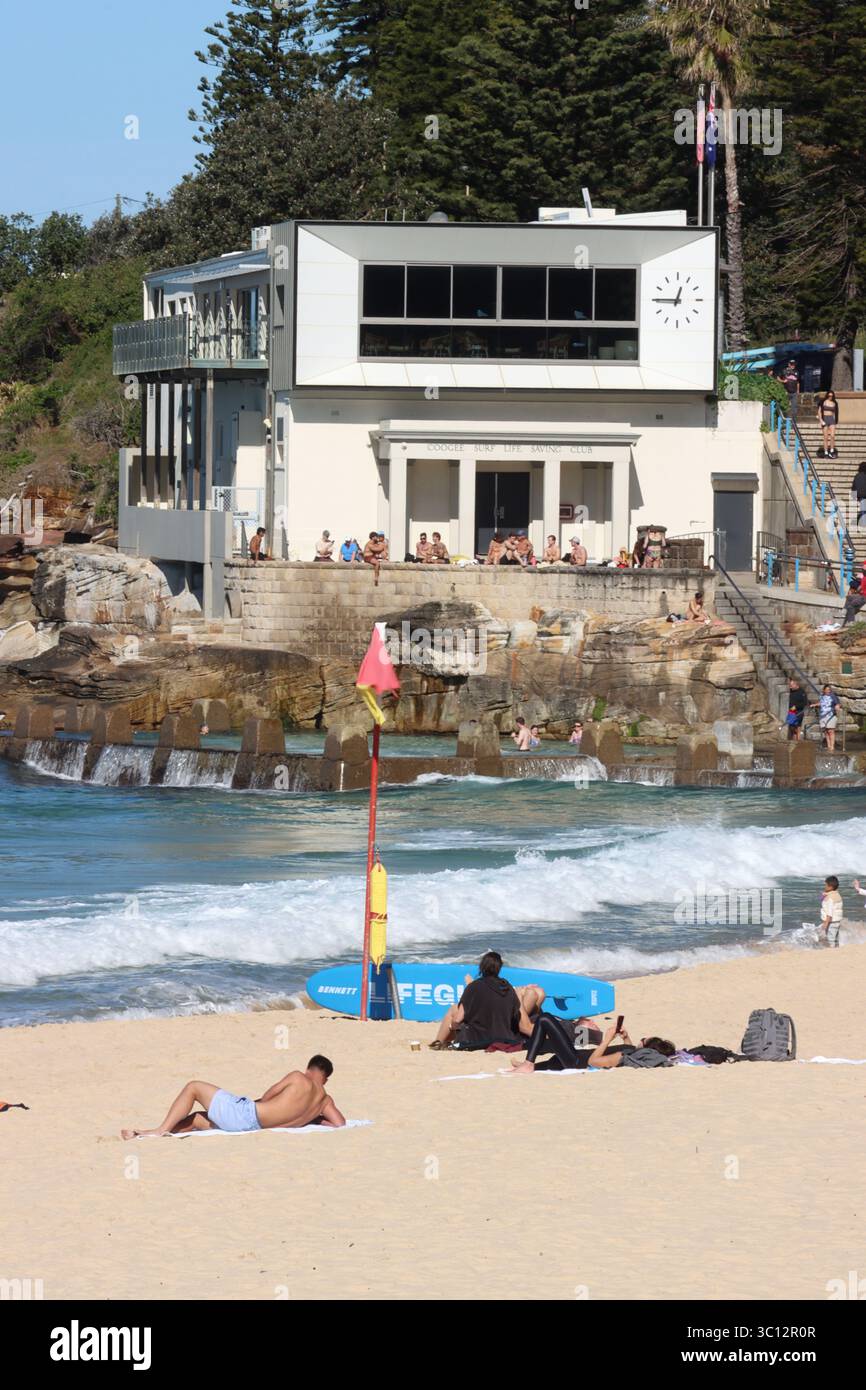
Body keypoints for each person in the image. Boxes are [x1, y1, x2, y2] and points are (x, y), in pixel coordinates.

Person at [120, 1056, 345, 1138]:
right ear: (325, 1078)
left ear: (311, 1070)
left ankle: (158, 1131)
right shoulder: (325, 1101)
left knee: (193, 1087)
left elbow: (268, 1096)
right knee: (199, 1118)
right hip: (253, 1128)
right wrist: (312, 1119)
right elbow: (339, 1123)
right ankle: (144, 1134)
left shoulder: (298, 1077)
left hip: (248, 1115)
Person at [429, 952, 543, 1050]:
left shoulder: (474, 987)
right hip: (506, 1036)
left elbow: (458, 1019)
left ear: (481, 967)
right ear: (499, 968)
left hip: (478, 1038)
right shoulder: (507, 986)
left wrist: (452, 1027)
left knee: (454, 1010)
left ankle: (439, 1042)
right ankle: (442, 1042)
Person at [511, 1019, 675, 1073]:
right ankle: (530, 1065)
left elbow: (594, 1062)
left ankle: (528, 1063)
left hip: (575, 1061)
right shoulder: (631, 1051)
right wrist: (626, 1037)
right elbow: (629, 1050)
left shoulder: (623, 1057)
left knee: (545, 1019)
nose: (642, 1038)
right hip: (570, 1057)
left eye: (644, 1038)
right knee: (551, 1034)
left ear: (646, 1046)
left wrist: (607, 1040)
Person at [812, 683, 841, 751]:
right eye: (827, 690)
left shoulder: (833, 696)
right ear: (824, 690)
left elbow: (838, 703)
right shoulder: (822, 696)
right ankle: (828, 746)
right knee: (826, 731)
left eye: (829, 690)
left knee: (831, 731)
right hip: (823, 715)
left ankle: (832, 746)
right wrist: (815, 704)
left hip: (830, 715)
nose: (828, 691)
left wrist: (837, 706)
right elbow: (821, 703)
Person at [819, 876, 843, 942]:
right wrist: (823, 895)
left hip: (831, 922)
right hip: (837, 921)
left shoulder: (829, 898)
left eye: (825, 885)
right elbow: (821, 899)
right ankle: (837, 948)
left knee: (831, 939)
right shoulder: (837, 894)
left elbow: (829, 913)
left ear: (830, 887)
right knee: (836, 938)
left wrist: (826, 924)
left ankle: (832, 950)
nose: (824, 886)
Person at [816, 390, 839, 459]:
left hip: (831, 419)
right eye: (829, 396)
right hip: (825, 418)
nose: (830, 397)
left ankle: (831, 451)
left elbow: (835, 412)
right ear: (827, 395)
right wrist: (821, 420)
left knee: (832, 436)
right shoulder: (823, 402)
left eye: (831, 396)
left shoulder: (834, 403)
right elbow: (819, 412)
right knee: (825, 437)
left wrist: (835, 420)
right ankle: (826, 452)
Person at [851, 463, 866, 529]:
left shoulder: (857, 475)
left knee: (863, 508)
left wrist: (854, 496)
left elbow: (854, 486)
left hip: (860, 495)